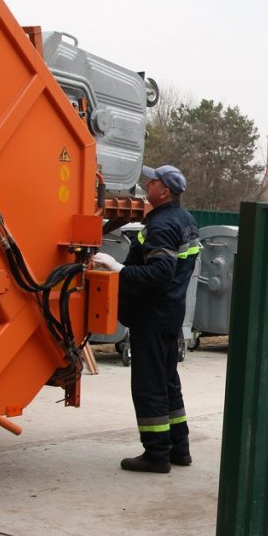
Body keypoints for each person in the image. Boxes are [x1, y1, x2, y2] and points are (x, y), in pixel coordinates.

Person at [93, 165, 200, 473]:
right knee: (168, 383)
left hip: (152, 317)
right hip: (169, 315)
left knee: (149, 385)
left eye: (153, 181)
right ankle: (179, 449)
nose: (147, 183)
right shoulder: (185, 219)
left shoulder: (163, 224)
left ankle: (156, 454)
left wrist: (117, 268)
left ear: (164, 191)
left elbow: (160, 273)